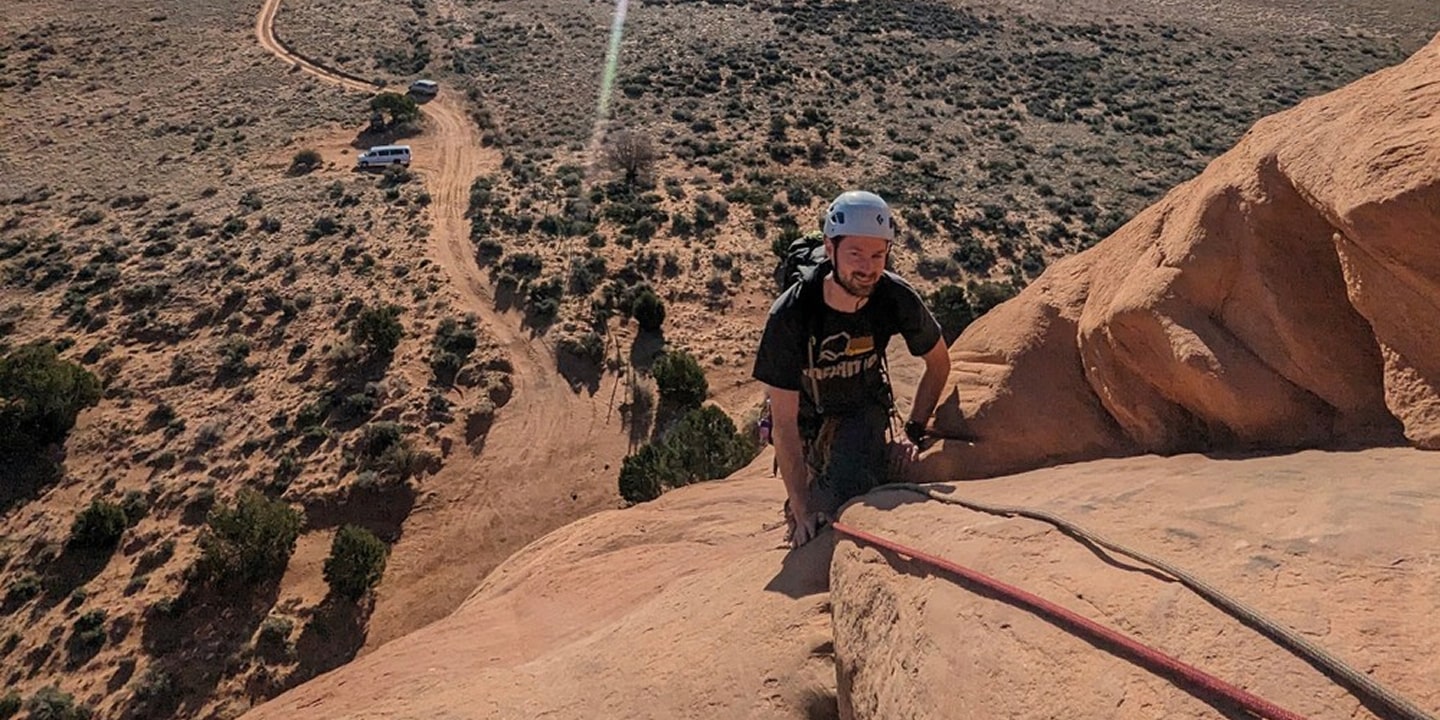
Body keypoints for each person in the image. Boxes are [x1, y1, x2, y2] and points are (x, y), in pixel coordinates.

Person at [753, 190, 952, 548]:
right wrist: (800, 512)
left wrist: (913, 431)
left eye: (878, 254)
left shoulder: (895, 297)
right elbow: (783, 423)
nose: (868, 266)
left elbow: (938, 363)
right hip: (807, 419)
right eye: (855, 253)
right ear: (830, 250)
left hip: (862, 409)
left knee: (851, 491)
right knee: (812, 520)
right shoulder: (792, 313)